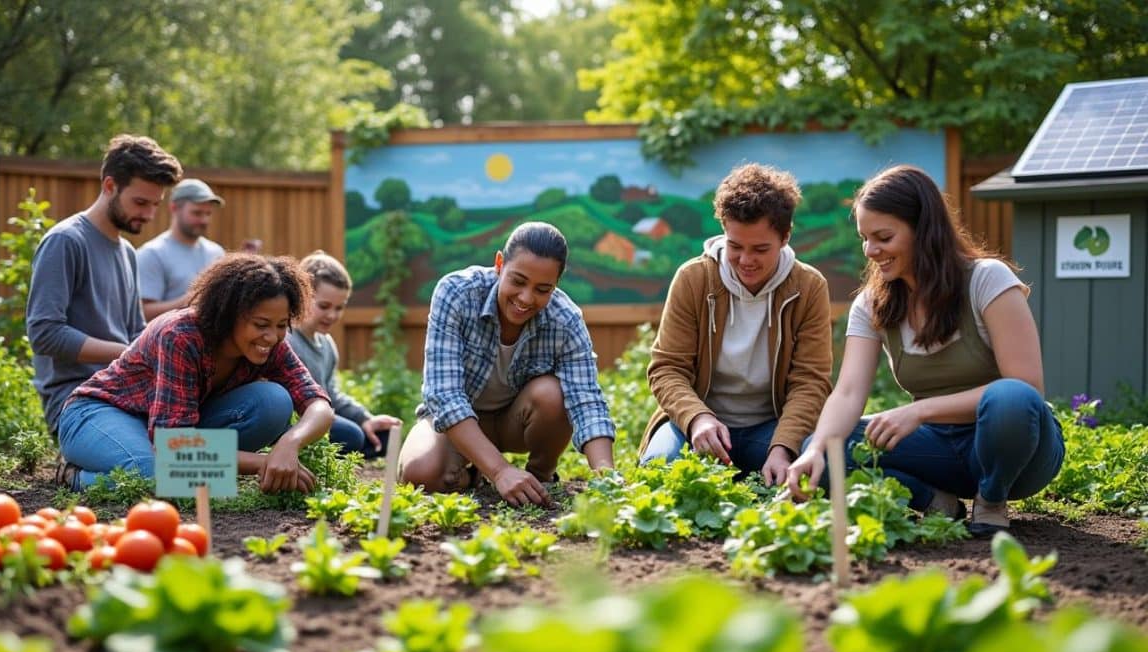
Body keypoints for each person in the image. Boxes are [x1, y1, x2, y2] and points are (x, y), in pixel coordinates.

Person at [785, 165, 1064, 538]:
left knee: (1010, 396)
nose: (871, 251)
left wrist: (919, 410)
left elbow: (1027, 385)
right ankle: (934, 500)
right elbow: (849, 393)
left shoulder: (987, 279)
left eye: (883, 237)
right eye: (864, 239)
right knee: (831, 448)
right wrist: (816, 449)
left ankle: (992, 498)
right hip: (939, 451)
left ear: (924, 229)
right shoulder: (871, 305)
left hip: (1017, 449)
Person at [54, 253, 334, 492]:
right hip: (100, 413)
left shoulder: (271, 343)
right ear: (230, 315)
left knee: (273, 401)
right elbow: (173, 450)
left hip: (168, 432)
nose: (272, 337)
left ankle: (199, 476)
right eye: (261, 324)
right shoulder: (181, 335)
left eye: (281, 325)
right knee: (154, 471)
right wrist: (265, 462)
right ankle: (74, 475)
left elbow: (318, 404)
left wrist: (289, 443)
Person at [398, 222, 616, 507]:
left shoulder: (566, 319)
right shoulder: (456, 293)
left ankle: (538, 477)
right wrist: (499, 471)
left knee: (553, 393)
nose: (526, 298)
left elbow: (587, 400)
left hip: (517, 421)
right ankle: (479, 472)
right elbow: (444, 396)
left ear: (557, 284)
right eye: (518, 281)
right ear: (499, 263)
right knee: (420, 475)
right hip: (462, 423)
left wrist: (608, 479)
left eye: (542, 289)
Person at [639, 163, 833, 484]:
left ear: (785, 237)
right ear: (724, 231)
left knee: (821, 466)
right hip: (697, 427)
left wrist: (783, 447)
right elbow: (667, 368)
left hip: (771, 428)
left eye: (760, 249)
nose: (746, 260)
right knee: (658, 472)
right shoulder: (693, 279)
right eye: (735, 246)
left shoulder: (809, 287)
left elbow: (810, 382)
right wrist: (697, 418)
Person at [27, 134, 182, 438]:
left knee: (265, 404)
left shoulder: (127, 252)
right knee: (151, 467)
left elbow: (136, 329)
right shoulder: (65, 241)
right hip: (78, 400)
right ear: (109, 186)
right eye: (140, 202)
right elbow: (44, 333)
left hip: (128, 392)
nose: (149, 215)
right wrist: (129, 353)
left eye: (155, 204)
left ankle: (228, 472)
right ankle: (74, 475)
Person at [287, 251, 402, 458]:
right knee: (352, 435)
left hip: (324, 415)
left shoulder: (327, 345)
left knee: (382, 437)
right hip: (300, 419)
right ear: (303, 296)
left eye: (339, 308)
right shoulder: (288, 340)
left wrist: (365, 418)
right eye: (324, 306)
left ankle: (353, 446)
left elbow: (333, 395)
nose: (332, 315)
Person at [137, 178, 227, 321]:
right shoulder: (152, 254)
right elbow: (142, 313)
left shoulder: (216, 253)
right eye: (197, 213)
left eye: (208, 214)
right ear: (174, 208)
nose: (204, 220)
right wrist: (191, 300)